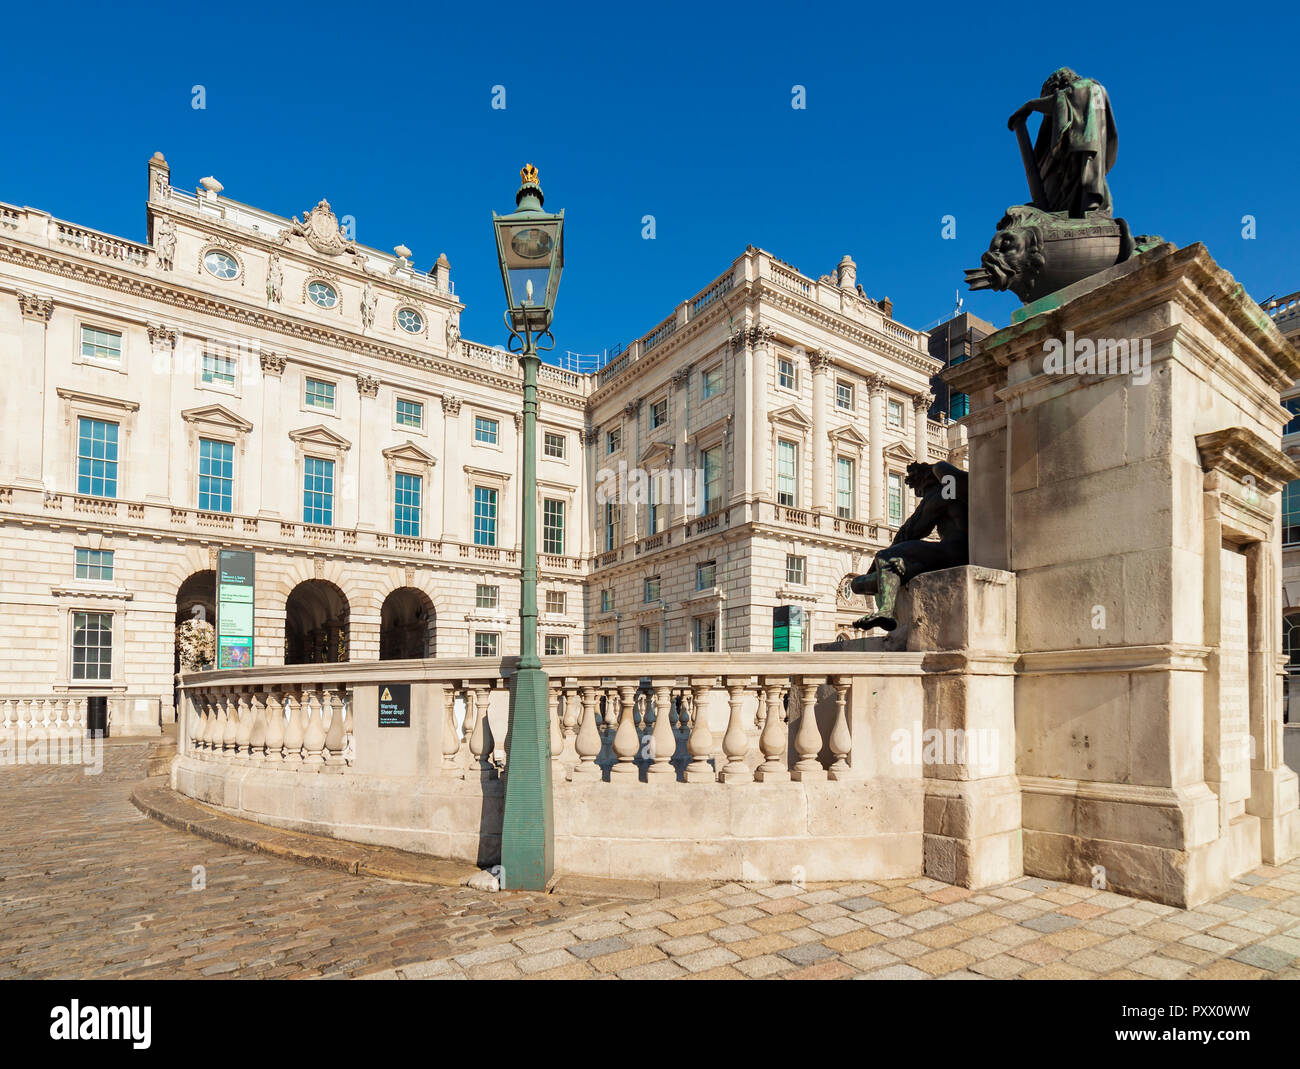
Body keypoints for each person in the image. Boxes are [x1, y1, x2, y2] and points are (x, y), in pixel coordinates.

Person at [850, 461, 968, 631]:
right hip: (954, 553)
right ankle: (893, 581)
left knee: (885, 558)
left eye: (918, 489)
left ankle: (885, 612)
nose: (919, 494)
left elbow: (913, 529)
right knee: (859, 583)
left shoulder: (942, 492)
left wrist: (880, 558)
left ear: (925, 480)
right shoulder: (950, 490)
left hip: (953, 552)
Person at [1007, 67, 1117, 218]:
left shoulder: (1085, 87)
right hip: (1085, 152)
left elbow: (1061, 100)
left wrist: (1030, 105)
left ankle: (1088, 212)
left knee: (1086, 186)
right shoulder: (1092, 91)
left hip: (1083, 151)